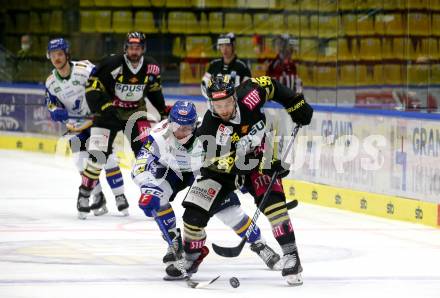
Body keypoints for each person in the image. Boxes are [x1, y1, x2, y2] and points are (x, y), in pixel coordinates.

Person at [168, 74, 313, 285]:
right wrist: (234, 169)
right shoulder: (209, 127)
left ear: (235, 97)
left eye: (227, 103)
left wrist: (294, 102)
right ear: (210, 104)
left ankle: (291, 256)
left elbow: (270, 84)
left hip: (259, 158)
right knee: (193, 216)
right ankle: (192, 256)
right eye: (218, 106)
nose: (224, 109)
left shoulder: (250, 97)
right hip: (222, 170)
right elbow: (211, 163)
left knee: (274, 204)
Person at [132, 100, 282, 280]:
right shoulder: (157, 135)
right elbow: (140, 165)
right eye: (177, 126)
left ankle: (260, 244)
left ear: (195, 125)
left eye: (187, 127)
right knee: (158, 198)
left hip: (202, 171)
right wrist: (148, 188)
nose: (181, 132)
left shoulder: (210, 132)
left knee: (230, 212)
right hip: (170, 170)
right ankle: (174, 242)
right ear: (169, 122)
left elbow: (233, 159)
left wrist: (242, 179)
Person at [77, 32, 171, 217]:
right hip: (108, 113)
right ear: (125, 48)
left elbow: (154, 90)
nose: (134, 51)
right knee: (97, 156)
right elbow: (92, 85)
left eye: (137, 48)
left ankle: (152, 198)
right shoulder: (112, 63)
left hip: (136, 114)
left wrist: (161, 109)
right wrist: (103, 105)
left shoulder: (151, 66)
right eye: (131, 48)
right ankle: (84, 194)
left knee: (146, 155)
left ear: (143, 49)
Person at [44, 38, 126, 219]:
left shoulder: (84, 69)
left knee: (107, 159)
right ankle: (98, 196)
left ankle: (120, 196)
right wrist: (55, 110)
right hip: (75, 127)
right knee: (81, 163)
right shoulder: (50, 82)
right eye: (52, 55)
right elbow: (50, 103)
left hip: (97, 121)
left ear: (67, 54)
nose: (56, 58)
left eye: (59, 54)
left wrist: (105, 105)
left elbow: (103, 82)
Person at [201, 33, 251, 99]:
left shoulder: (242, 65)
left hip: (236, 104)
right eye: (221, 46)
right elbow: (204, 84)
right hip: (216, 103)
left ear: (233, 46)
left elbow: (248, 87)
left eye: (228, 45)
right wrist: (211, 98)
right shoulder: (214, 64)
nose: (224, 49)